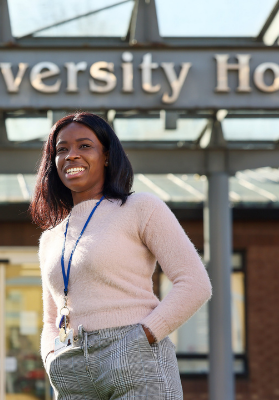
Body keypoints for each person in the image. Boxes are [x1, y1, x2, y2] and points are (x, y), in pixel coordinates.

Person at [29, 112, 212, 399]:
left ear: (106, 156)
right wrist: (52, 356)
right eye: (62, 149)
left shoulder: (140, 208)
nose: (71, 155)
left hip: (135, 355)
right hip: (72, 366)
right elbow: (51, 318)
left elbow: (195, 283)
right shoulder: (50, 237)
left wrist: (145, 335)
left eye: (84, 146)